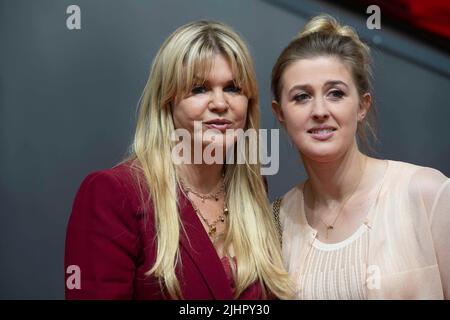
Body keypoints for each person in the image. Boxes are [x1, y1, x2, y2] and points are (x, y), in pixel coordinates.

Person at [65, 20, 293, 300]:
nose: (220, 103)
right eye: (199, 89)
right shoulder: (114, 194)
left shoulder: (253, 190)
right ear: (167, 101)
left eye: (233, 88)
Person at [271, 14, 449, 299]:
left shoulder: (427, 193)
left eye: (335, 93)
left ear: (362, 106)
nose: (319, 110)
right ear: (280, 113)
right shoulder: (279, 220)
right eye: (302, 96)